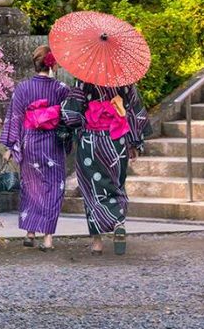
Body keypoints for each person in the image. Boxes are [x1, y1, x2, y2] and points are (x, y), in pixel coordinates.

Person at [60, 73, 143, 252]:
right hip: (116, 140)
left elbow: (71, 115)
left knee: (91, 188)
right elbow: (134, 110)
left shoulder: (85, 77)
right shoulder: (123, 78)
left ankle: (97, 242)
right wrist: (135, 142)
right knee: (116, 184)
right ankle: (119, 223)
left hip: (91, 141)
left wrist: (83, 121)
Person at [0, 49, 69, 248]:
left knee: (32, 186)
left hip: (29, 142)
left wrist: (11, 146)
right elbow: (69, 117)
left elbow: (15, 118)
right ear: (52, 65)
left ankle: (30, 233)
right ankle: (47, 238)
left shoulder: (23, 88)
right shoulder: (61, 89)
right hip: (52, 144)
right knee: (53, 187)